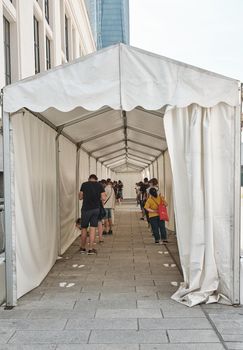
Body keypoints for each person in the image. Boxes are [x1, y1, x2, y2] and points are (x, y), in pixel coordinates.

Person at [79, 174, 106, 254]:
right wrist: (98, 197)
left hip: (85, 210)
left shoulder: (84, 184)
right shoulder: (99, 185)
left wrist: (85, 196)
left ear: (89, 179)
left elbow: (80, 197)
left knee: (84, 228)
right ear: (96, 179)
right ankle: (91, 249)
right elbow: (103, 198)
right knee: (93, 228)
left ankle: (83, 248)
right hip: (96, 209)